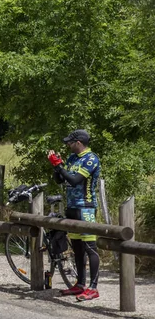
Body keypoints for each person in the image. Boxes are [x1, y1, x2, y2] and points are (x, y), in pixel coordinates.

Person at [48, 129, 101, 301]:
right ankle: (80, 284)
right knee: (77, 248)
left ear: (79, 142)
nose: (68, 145)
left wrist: (59, 166)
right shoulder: (72, 158)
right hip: (71, 207)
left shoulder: (91, 159)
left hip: (86, 207)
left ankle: (93, 288)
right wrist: (57, 167)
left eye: (70, 142)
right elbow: (60, 180)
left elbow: (75, 180)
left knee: (90, 247)